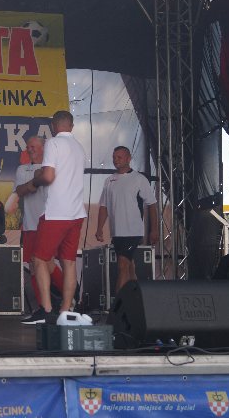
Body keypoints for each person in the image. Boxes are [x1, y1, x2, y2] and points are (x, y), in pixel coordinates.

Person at [28, 110, 87, 325]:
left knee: (39, 259)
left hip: (56, 213)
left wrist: (36, 179)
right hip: (76, 212)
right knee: (69, 262)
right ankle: (65, 312)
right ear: (71, 126)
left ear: (53, 126)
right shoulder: (79, 147)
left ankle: (46, 310)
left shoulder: (53, 143)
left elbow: (49, 176)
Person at [95, 146, 159, 293]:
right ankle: (136, 298)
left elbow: (151, 204)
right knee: (129, 267)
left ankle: (118, 303)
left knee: (122, 265)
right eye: (114, 157)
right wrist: (99, 228)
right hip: (117, 232)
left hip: (133, 231)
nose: (116, 160)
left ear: (129, 158)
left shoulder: (139, 179)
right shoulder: (109, 181)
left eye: (119, 157)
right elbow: (104, 206)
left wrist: (154, 230)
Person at [14, 136, 62, 324]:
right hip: (29, 224)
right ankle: (43, 309)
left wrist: (35, 182)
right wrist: (33, 183)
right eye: (28, 147)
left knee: (46, 262)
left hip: (48, 222)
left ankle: (71, 296)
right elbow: (19, 191)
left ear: (44, 148)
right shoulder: (22, 169)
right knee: (33, 266)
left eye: (33, 146)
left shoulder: (53, 168)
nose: (30, 149)